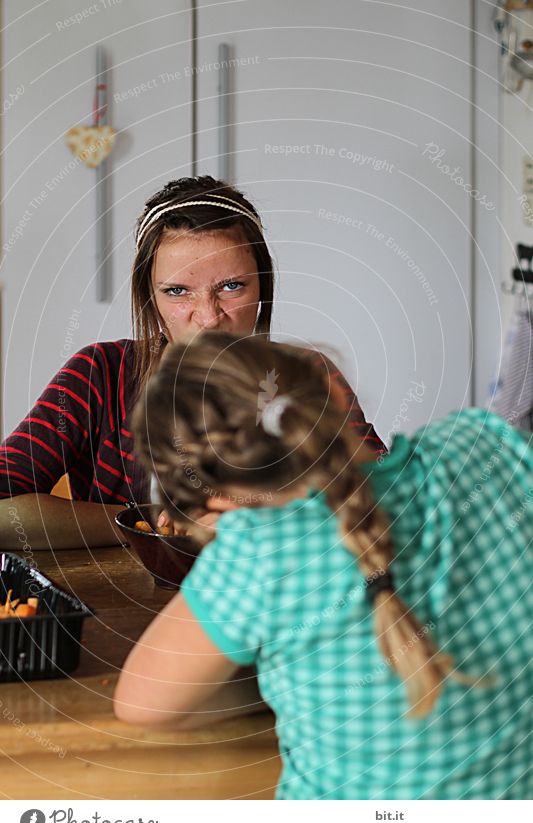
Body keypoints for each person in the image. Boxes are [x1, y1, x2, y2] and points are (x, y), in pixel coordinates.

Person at [114, 332, 533, 800]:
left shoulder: (256, 551)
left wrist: (282, 689)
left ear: (217, 498)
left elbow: (143, 704)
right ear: (334, 396)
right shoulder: (479, 449)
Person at [0, 176, 383, 549]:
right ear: (150, 296)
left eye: (232, 286)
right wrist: (149, 521)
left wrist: (245, 518)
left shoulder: (309, 378)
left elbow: (386, 500)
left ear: (263, 284)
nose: (209, 317)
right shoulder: (99, 375)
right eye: (178, 291)